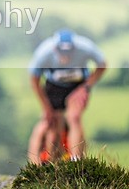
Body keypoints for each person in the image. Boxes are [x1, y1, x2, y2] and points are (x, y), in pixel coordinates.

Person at [27, 29, 107, 164]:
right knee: (53, 123)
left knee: (73, 117)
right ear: (55, 49)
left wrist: (85, 87)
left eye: (68, 53)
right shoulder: (44, 53)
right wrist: (46, 107)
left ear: (74, 48)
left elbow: (102, 65)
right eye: (62, 53)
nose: (66, 57)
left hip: (78, 86)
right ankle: (46, 163)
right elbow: (34, 80)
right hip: (54, 86)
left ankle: (76, 160)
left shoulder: (85, 47)